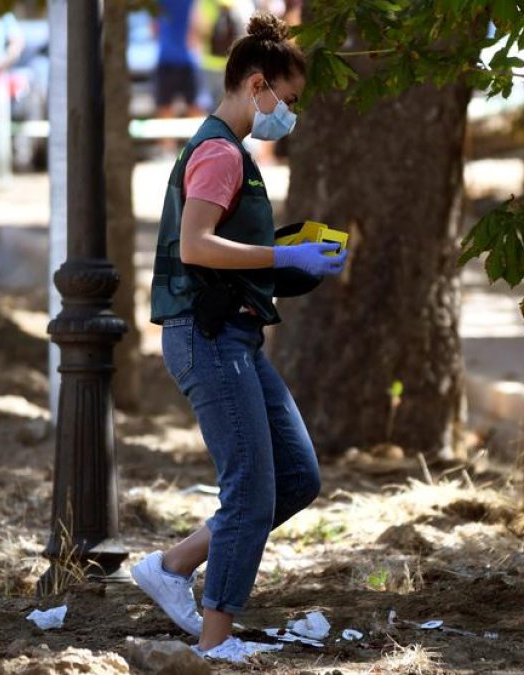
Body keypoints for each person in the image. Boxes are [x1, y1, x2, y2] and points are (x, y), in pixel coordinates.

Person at [133, 11, 346, 663]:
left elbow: (225, 248)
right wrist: (282, 261)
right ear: (258, 85)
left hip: (236, 337)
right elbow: (197, 245)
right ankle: (214, 643)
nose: (290, 113)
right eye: (288, 99)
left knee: (297, 476)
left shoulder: (234, 153)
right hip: (209, 339)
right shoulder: (221, 152)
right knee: (251, 488)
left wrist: (286, 255)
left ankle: (171, 566)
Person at [156, 0, 211, 121]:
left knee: (165, 112)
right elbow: (199, 26)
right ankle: (203, 140)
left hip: (165, 58)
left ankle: (167, 141)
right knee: (196, 110)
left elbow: (153, 28)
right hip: (188, 59)